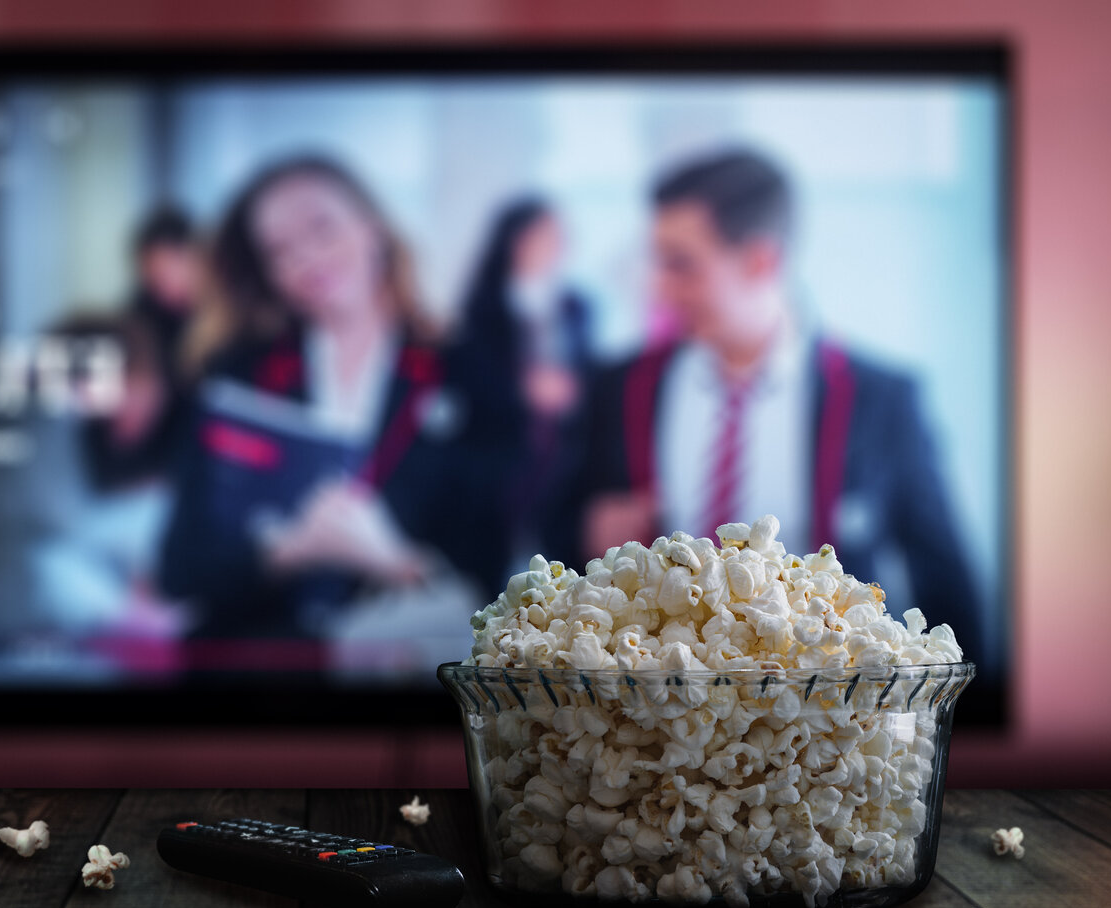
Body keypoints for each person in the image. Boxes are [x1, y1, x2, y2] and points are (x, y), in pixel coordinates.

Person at [570, 147, 982, 669]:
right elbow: (556, 538)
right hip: (653, 715)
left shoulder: (883, 400)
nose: (659, 287)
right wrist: (590, 537)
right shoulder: (619, 387)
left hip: (828, 723)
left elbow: (947, 582)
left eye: (681, 265)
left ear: (761, 261)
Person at [162, 154, 477, 652]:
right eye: (280, 252)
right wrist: (285, 552)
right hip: (266, 675)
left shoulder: (465, 371)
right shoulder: (239, 379)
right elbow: (180, 570)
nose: (306, 257)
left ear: (373, 227)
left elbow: (496, 569)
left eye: (322, 229)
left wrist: (391, 558)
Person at [444, 196, 595, 595]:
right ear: (516, 240)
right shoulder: (483, 307)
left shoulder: (577, 306)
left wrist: (570, 391)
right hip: (501, 460)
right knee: (493, 577)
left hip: (563, 458)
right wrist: (524, 390)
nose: (557, 245)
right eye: (546, 235)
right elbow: (468, 381)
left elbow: (590, 373)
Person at [80, 205, 205, 491]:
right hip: (147, 468)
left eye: (168, 270)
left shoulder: (220, 315)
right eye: (153, 277)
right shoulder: (135, 318)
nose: (163, 286)